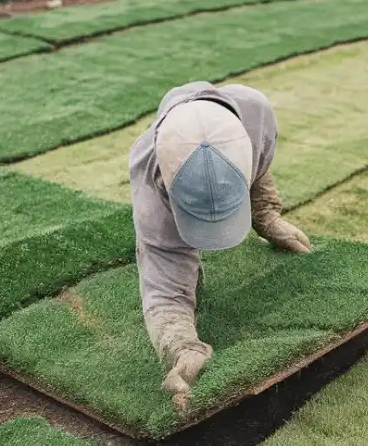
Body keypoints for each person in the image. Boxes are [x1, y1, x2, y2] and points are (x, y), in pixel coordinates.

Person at [129, 81, 313, 409]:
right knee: (169, 260)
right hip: (161, 182)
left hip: (244, 119)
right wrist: (181, 345)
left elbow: (259, 166)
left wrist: (264, 212)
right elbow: (163, 292)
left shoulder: (256, 115)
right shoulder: (151, 186)